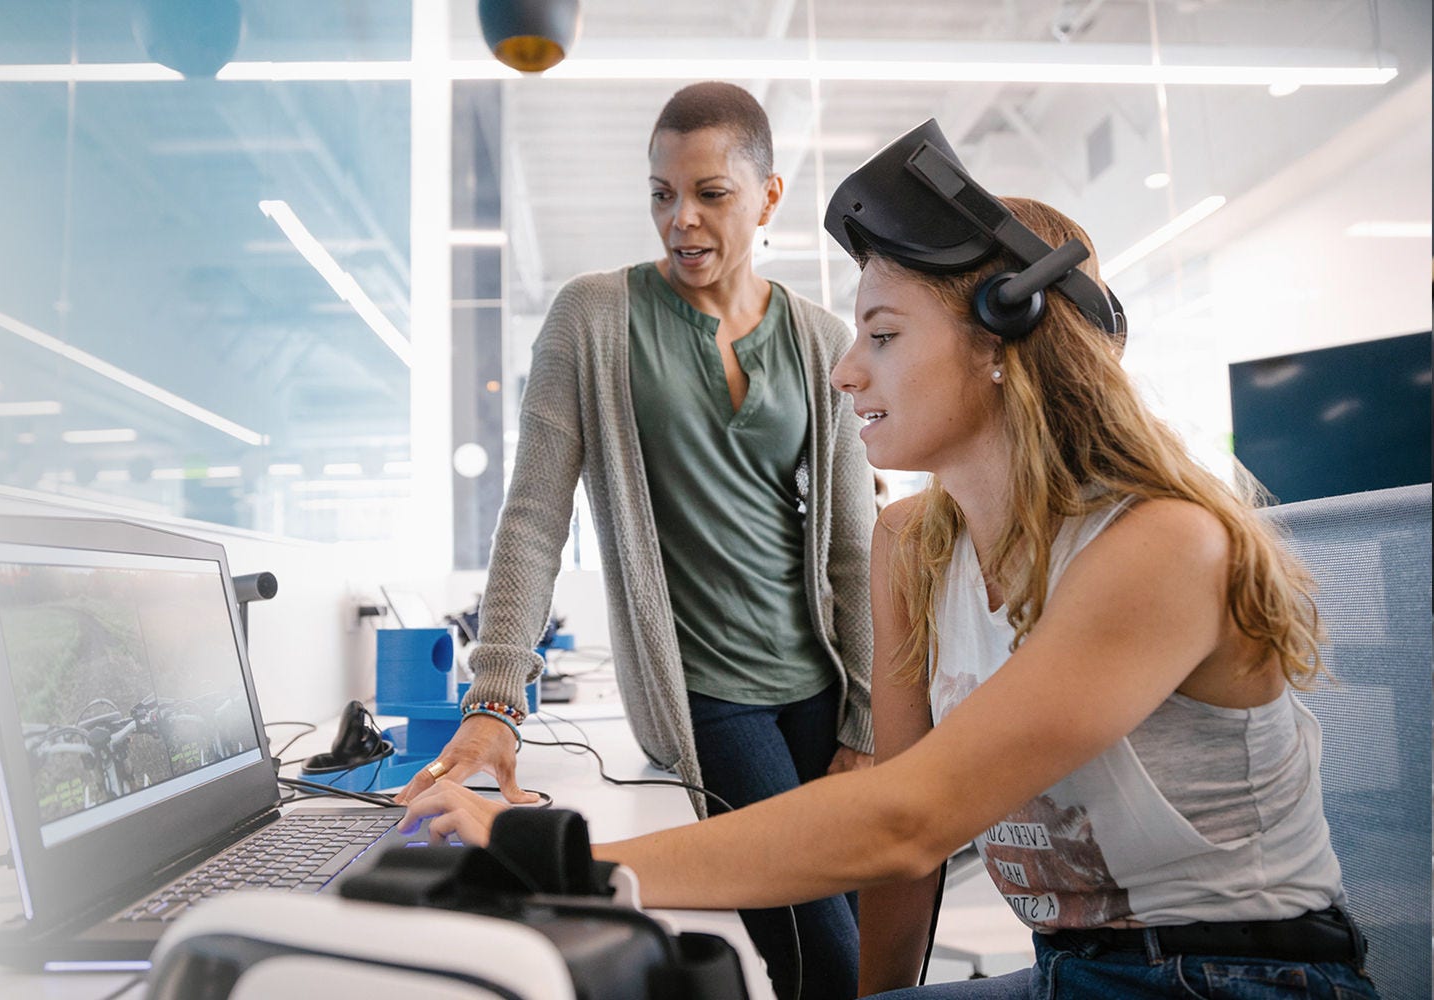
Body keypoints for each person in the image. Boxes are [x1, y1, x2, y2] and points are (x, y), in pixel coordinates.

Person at [399, 118, 1379, 999]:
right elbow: (905, 856)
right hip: (1067, 972)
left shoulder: (1160, 543)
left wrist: (563, 855)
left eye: (884, 334)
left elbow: (905, 816)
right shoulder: (916, 544)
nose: (845, 368)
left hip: (1237, 978)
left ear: (1005, 341)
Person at [394, 81, 875, 1000]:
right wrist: (495, 699)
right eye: (661, 194)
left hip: (819, 690)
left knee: (857, 938)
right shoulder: (594, 317)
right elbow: (535, 518)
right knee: (827, 960)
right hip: (707, 694)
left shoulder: (820, 339)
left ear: (769, 196)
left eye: (710, 194)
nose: (680, 220)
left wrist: (863, 716)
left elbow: (853, 547)